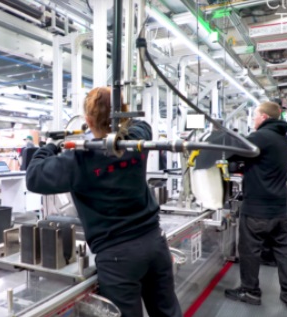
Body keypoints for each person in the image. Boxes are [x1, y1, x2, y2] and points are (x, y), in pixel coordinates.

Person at [26, 87, 182, 317]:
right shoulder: (136, 143)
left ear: (88, 121)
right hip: (154, 243)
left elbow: (33, 176)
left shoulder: (77, 161)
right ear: (124, 114)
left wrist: (51, 145)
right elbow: (143, 126)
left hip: (118, 258)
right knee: (168, 313)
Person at [224, 101, 287, 311]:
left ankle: (249, 290)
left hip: (257, 208)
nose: (253, 119)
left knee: (250, 250)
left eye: (255, 116)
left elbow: (231, 153)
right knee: (283, 250)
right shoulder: (282, 138)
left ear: (264, 118)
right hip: (279, 207)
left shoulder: (260, 136)